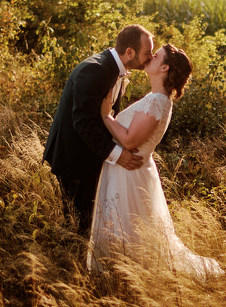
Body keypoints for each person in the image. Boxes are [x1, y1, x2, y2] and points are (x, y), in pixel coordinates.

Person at [87, 43, 223, 279]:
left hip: (129, 173)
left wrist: (107, 117)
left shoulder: (158, 101)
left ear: (165, 67)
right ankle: (117, 275)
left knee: (128, 232)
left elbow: (129, 140)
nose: (150, 56)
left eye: (156, 55)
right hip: (127, 169)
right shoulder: (155, 98)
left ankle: (127, 276)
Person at [43, 24, 154, 234]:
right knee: (79, 226)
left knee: (89, 223)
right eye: (147, 53)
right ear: (129, 52)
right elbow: (83, 122)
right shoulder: (93, 70)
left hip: (91, 156)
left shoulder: (115, 69)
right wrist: (117, 155)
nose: (151, 57)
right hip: (74, 159)